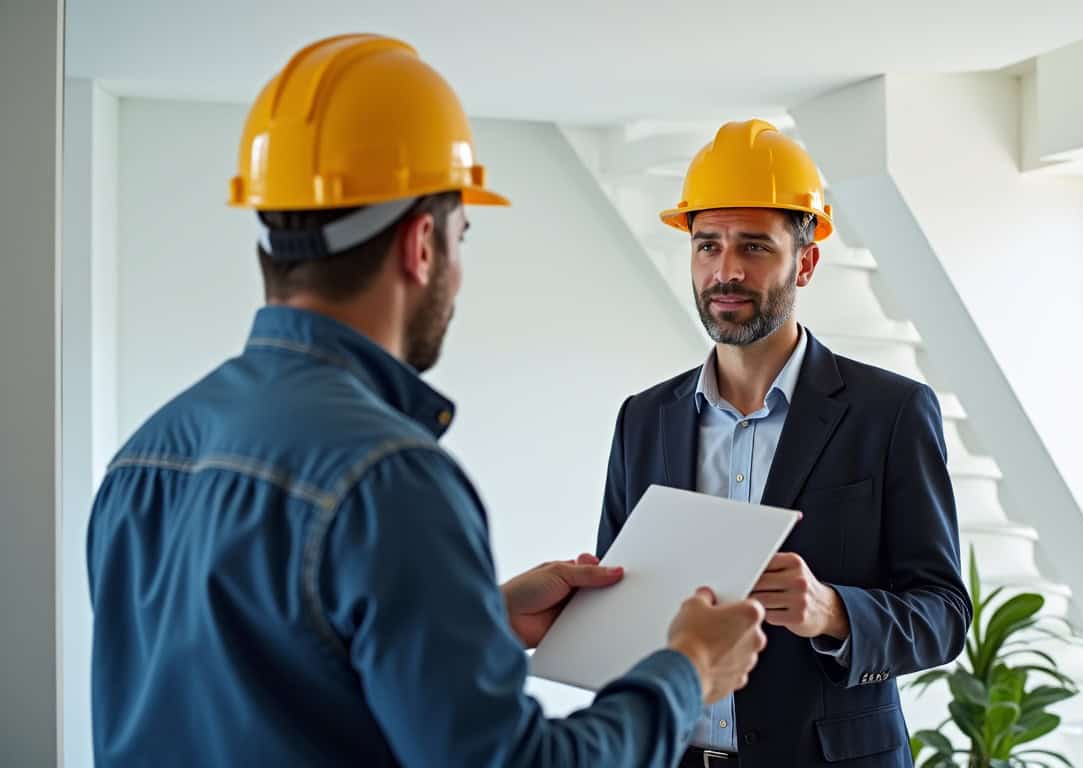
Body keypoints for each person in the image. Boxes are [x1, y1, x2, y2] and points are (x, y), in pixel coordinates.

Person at [86, 34, 765, 767]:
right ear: (420, 244)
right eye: (460, 234)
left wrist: (481, 619)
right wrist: (686, 673)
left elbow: (257, 683)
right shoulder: (387, 479)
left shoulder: (146, 454)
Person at [598, 119, 972, 767]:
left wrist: (834, 612)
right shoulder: (644, 419)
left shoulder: (891, 412)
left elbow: (943, 615)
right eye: (707, 245)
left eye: (755, 247)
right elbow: (620, 602)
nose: (727, 271)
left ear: (807, 260)